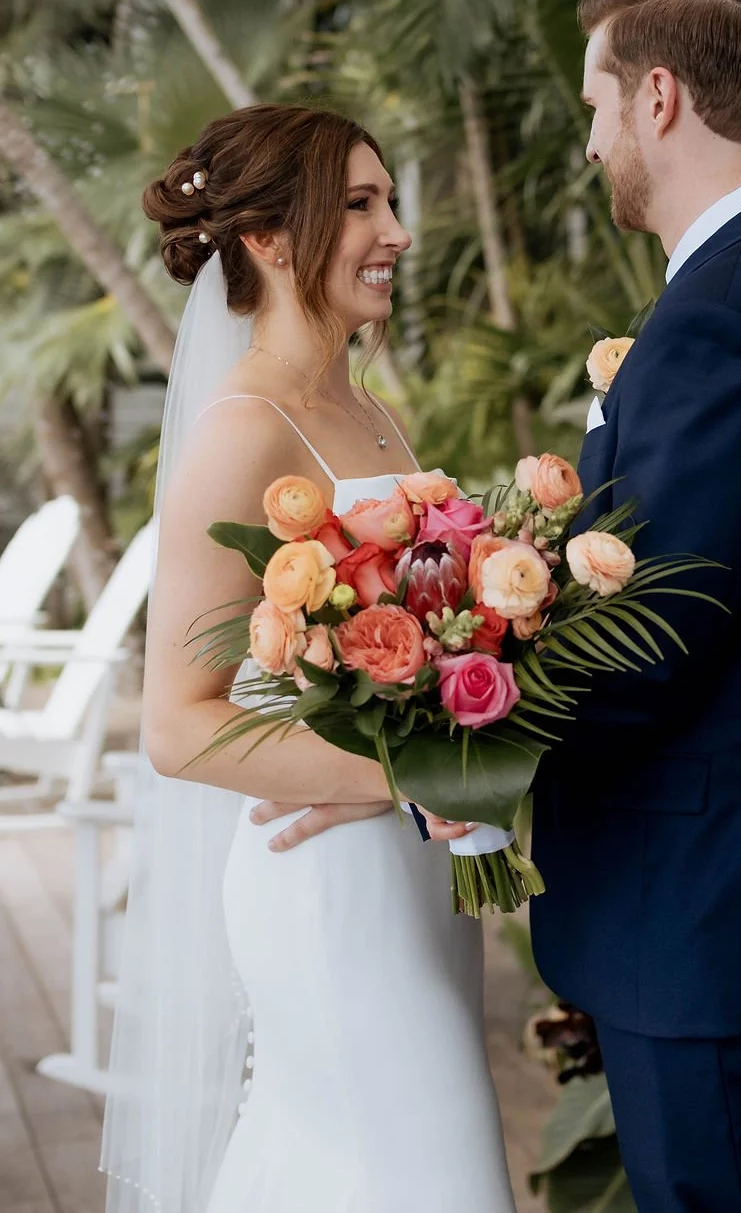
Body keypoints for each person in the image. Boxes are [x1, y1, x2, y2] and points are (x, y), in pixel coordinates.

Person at [434, 0, 741, 1210]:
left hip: (716, 923)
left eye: (594, 106)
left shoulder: (728, 315)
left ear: (656, 99)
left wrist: (456, 732)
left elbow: (642, 644)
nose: (589, 144)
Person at [101, 104, 515, 1213]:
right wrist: (413, 773)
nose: (398, 231)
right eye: (361, 204)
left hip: (413, 877)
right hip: (327, 893)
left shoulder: (362, 406)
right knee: (437, 1177)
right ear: (271, 239)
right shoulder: (243, 428)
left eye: (392, 200)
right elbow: (178, 723)